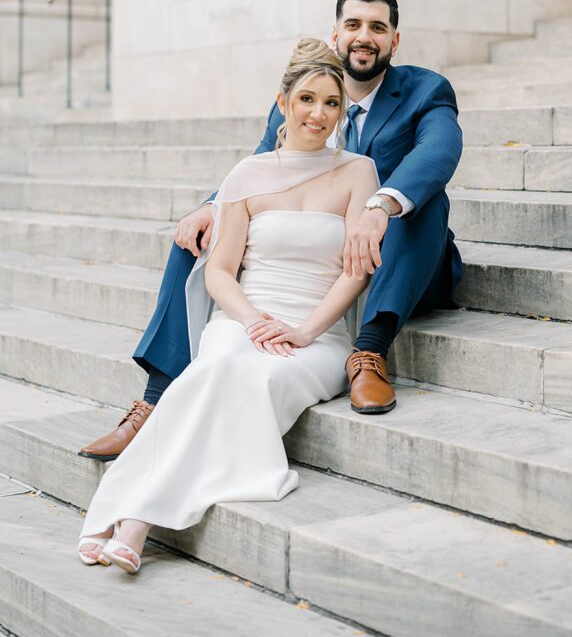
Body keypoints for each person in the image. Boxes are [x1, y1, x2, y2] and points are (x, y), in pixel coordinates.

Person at [79, 0, 463, 463]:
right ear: (336, 34)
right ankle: (155, 399)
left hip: (398, 265)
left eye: (377, 27)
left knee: (418, 202)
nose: (364, 36)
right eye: (353, 25)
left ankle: (369, 352)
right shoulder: (307, 96)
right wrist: (212, 205)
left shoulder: (426, 90)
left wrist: (379, 206)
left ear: (394, 40)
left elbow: (438, 151)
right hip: (319, 261)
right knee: (198, 235)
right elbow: (264, 167)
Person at [77, 38, 379, 572]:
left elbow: (355, 271)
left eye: (331, 103)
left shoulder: (359, 172)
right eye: (307, 100)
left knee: (256, 381)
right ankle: (139, 520)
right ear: (283, 103)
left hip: (317, 334)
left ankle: (129, 515)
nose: (319, 114)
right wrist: (252, 320)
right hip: (242, 316)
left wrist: (306, 332)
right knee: (217, 368)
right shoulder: (245, 174)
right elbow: (218, 270)